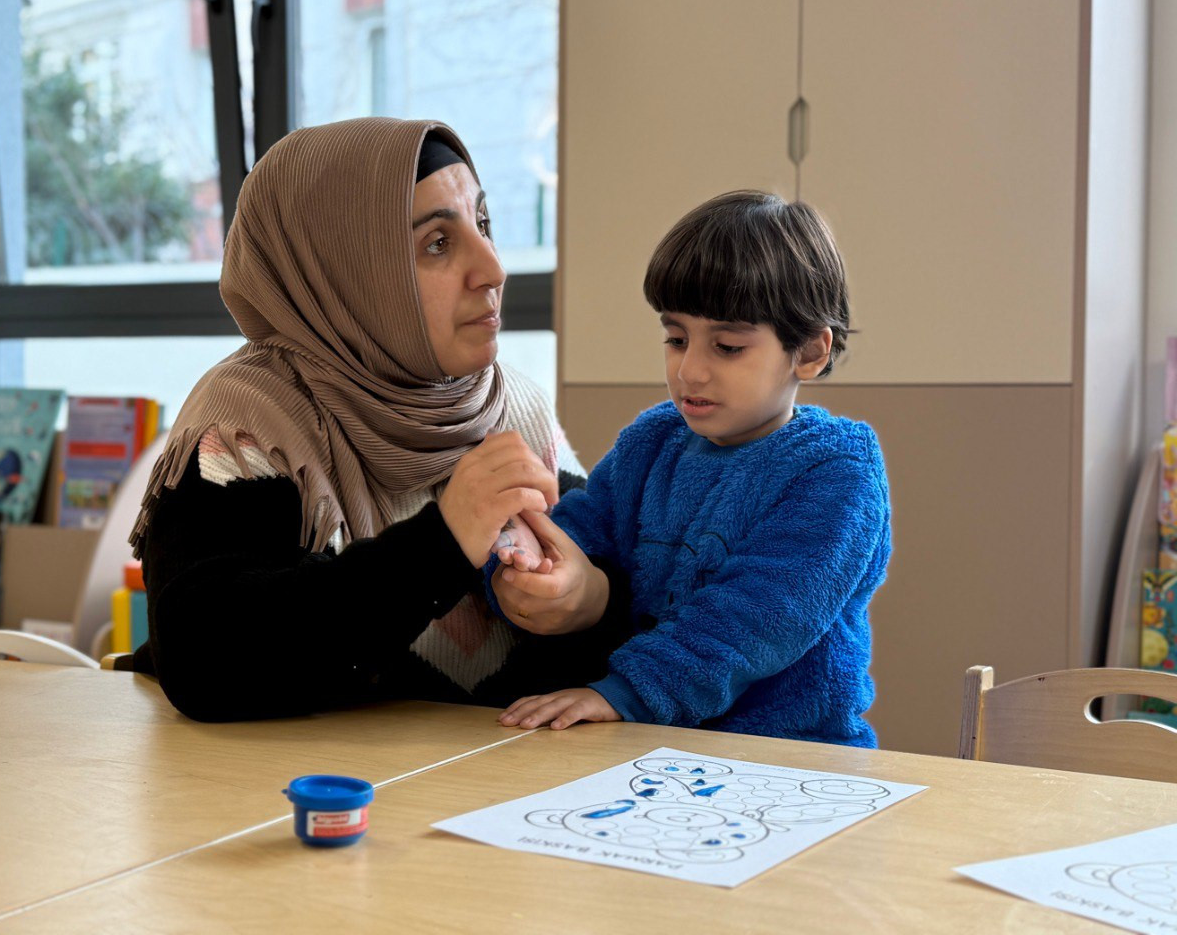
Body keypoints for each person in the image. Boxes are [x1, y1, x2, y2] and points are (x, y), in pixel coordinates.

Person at [129, 118, 632, 722]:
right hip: (302, 781)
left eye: (483, 224)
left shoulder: (513, 407)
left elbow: (650, 608)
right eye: (437, 244)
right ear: (344, 273)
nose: (493, 269)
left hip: (489, 776)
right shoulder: (248, 424)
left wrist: (591, 601)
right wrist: (442, 543)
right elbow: (204, 658)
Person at [491, 190, 892, 747]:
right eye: (677, 339)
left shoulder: (835, 472)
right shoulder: (653, 440)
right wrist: (528, 559)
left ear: (808, 352)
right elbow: (585, 529)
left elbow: (757, 618)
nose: (690, 371)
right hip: (657, 745)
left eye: (727, 347)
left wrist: (625, 692)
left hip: (791, 756)